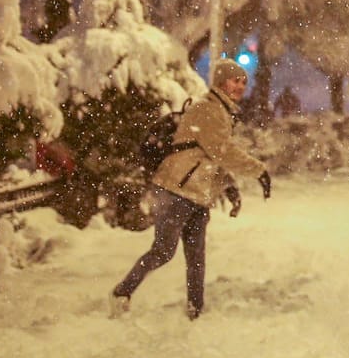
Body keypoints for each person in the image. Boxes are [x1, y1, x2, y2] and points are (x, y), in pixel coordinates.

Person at [110, 58, 271, 320]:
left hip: (196, 193)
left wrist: (229, 188)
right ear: (221, 82)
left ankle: (196, 310)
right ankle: (121, 292)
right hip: (176, 189)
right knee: (163, 250)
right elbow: (222, 152)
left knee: (196, 256)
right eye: (235, 80)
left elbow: (210, 158)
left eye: (243, 81)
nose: (240, 86)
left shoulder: (221, 112)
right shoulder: (208, 110)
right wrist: (258, 170)